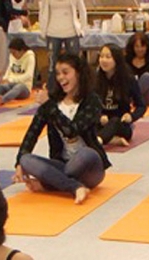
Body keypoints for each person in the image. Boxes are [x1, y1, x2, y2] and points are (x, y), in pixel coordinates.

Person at [14, 53, 110, 205]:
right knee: (26, 160)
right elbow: (32, 133)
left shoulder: (92, 101)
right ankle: (75, 187)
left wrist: (49, 105)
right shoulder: (53, 103)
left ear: (78, 73)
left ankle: (51, 183)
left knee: (85, 154)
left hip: (90, 166)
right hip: (62, 164)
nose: (61, 77)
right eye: (58, 73)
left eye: (66, 72)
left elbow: (71, 130)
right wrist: (19, 163)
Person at [96, 44, 146, 147]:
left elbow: (141, 106)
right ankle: (111, 140)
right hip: (101, 123)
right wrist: (99, 117)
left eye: (108, 57)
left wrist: (131, 116)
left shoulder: (128, 79)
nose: (104, 60)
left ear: (116, 59)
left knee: (114, 121)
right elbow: (89, 105)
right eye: (101, 56)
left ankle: (98, 141)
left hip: (120, 124)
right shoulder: (95, 79)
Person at [39, 0, 87, 93]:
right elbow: (42, 12)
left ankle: (76, 90)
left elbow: (82, 10)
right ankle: (53, 92)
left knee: (74, 64)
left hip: (71, 32)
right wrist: (43, 31)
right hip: (52, 32)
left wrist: (82, 29)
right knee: (52, 64)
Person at [0, 0, 29, 76]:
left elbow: (2, 12)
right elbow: (9, 10)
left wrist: (15, 17)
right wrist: (23, 13)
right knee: (0, 57)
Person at [0, 37, 36, 105]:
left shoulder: (30, 56)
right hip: (11, 83)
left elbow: (29, 75)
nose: (12, 55)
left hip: (24, 86)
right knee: (1, 87)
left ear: (21, 51)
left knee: (18, 87)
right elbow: (9, 68)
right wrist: (5, 78)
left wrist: (11, 80)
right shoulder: (12, 56)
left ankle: (3, 100)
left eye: (14, 53)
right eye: (11, 52)